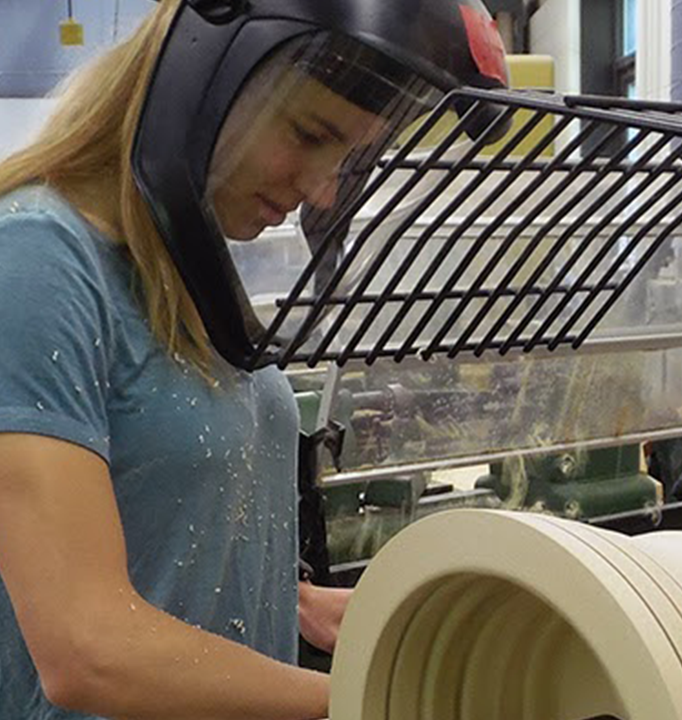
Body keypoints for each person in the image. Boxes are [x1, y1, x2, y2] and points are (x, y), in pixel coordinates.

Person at [0, 0, 508, 718]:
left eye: (349, 159)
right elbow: (88, 647)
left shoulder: (186, 269)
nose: (322, 189)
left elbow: (166, 516)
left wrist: (299, 603)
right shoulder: (35, 262)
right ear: (199, 73)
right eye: (308, 134)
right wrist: (380, 702)